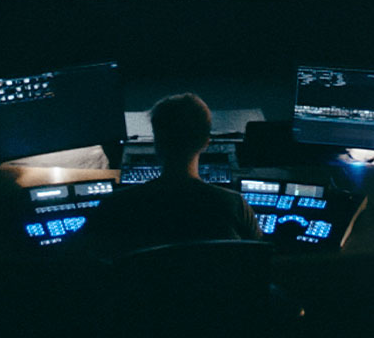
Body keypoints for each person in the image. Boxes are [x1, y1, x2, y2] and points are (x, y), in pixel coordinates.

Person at [79, 93, 261, 257]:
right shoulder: (235, 205)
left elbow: (77, 255)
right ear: (205, 143)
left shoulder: (115, 205)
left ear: (157, 142)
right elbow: (261, 256)